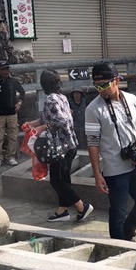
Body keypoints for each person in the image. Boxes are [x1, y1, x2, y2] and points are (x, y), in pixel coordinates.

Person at [85, 62, 136, 241]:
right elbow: (92, 143)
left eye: (104, 85)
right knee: (118, 212)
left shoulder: (132, 100)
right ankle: (117, 246)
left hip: (135, 164)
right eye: (97, 86)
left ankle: (127, 233)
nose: (100, 90)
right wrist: (97, 174)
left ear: (116, 80)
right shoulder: (93, 109)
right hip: (114, 169)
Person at [24, 69, 93, 223]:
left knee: (57, 181)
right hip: (70, 145)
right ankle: (62, 211)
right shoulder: (61, 97)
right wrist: (32, 124)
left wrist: (42, 128)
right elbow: (47, 118)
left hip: (61, 147)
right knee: (63, 179)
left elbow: (60, 121)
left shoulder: (50, 99)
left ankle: (82, 206)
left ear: (44, 84)